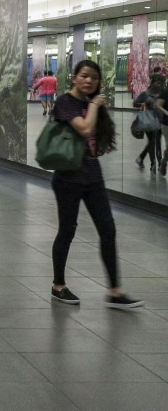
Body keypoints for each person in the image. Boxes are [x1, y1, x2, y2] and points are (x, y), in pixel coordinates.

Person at [49, 60, 142, 309]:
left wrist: (95, 108)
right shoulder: (64, 103)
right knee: (67, 230)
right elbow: (84, 128)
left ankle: (115, 291)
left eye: (94, 78)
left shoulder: (91, 104)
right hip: (67, 177)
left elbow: (98, 136)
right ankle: (58, 285)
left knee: (108, 229)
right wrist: (93, 106)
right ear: (75, 77)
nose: (89, 81)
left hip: (92, 174)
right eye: (84, 76)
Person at [135, 77, 163, 171]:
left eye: (162, 84)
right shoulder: (145, 94)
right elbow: (135, 103)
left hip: (160, 121)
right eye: (158, 83)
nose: (160, 85)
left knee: (155, 142)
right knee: (153, 141)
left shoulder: (162, 94)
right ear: (153, 83)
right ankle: (154, 164)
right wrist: (143, 104)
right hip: (148, 122)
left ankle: (142, 158)